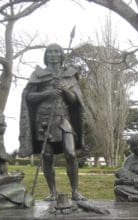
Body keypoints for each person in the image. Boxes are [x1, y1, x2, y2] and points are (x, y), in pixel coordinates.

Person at [18, 43, 86, 201]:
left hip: (63, 118)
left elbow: (75, 101)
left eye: (56, 51)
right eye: (49, 52)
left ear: (61, 55)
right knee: (47, 157)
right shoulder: (38, 75)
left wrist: (65, 89)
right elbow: (29, 97)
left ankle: (75, 191)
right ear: (45, 56)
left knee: (70, 153)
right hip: (43, 119)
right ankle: (53, 192)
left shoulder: (69, 74)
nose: (53, 54)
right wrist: (47, 93)